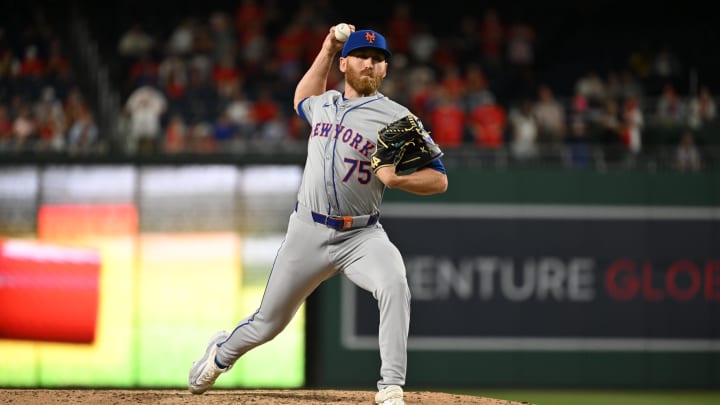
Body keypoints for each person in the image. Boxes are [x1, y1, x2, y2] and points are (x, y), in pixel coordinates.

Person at [187, 24, 448, 405]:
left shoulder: (397, 118)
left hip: (361, 236)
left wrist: (397, 179)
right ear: (345, 64)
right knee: (268, 324)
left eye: (379, 60)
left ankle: (391, 388)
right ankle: (220, 355)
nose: (371, 65)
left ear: (386, 70)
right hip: (308, 230)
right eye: (363, 57)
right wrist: (327, 48)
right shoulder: (325, 103)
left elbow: (439, 180)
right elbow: (300, 100)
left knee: (394, 284)